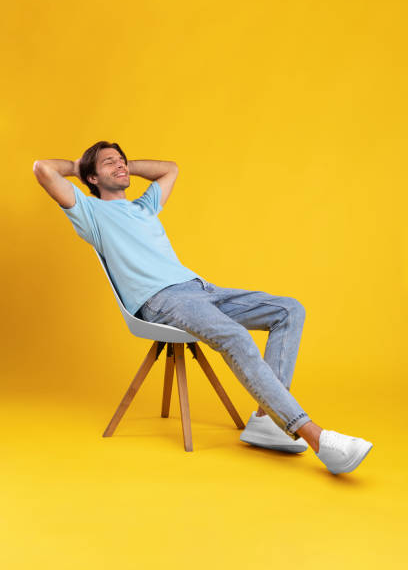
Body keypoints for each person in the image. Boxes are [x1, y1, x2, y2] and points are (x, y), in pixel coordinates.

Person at [33, 140, 373, 475]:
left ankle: (266, 421)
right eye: (110, 163)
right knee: (235, 337)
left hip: (201, 288)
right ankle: (317, 438)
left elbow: (170, 169)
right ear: (91, 178)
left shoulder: (143, 206)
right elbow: (43, 169)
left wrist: (123, 166)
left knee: (289, 309)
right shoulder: (91, 213)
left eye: (121, 160)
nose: (120, 165)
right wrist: (81, 167)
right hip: (162, 299)